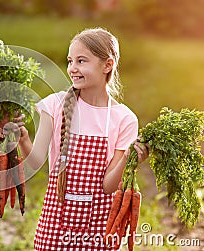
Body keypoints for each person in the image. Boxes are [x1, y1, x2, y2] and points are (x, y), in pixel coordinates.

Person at [15, 28, 149, 250]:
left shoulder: (124, 118)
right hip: (55, 225)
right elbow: (37, 161)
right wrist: (22, 139)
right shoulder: (55, 106)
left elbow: (108, 187)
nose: (72, 69)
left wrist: (128, 158)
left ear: (107, 65)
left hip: (99, 228)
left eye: (81, 61)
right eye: (70, 61)